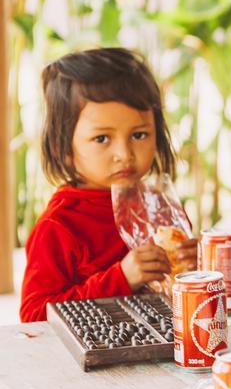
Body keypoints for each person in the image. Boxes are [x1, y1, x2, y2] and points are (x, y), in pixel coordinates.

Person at [20, 48, 196, 322]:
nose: (125, 154)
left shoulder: (163, 212)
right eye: (102, 139)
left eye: (139, 134)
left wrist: (196, 268)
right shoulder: (58, 227)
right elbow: (34, 317)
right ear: (63, 146)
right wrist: (121, 278)